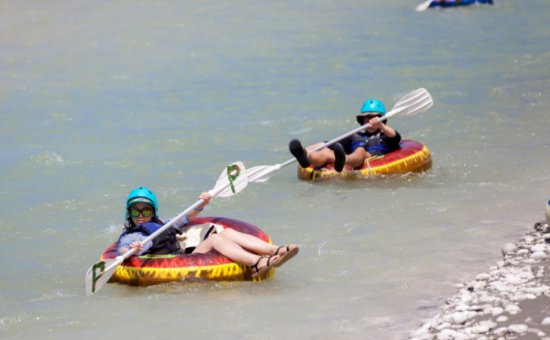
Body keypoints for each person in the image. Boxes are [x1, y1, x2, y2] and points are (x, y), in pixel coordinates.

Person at [118, 186, 299, 278]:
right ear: (130, 214)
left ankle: (274, 250)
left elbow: (184, 218)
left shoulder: (163, 222)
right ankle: (256, 263)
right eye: (135, 212)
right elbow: (123, 250)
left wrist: (202, 204)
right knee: (213, 239)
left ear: (153, 211)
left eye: (146, 211)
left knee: (225, 233)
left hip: (182, 255)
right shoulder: (134, 235)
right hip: (177, 263)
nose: (141, 216)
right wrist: (133, 249)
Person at [289, 98, 401, 172]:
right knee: (327, 152)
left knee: (361, 151)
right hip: (343, 159)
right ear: (362, 120)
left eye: (374, 117)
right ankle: (307, 157)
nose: (370, 121)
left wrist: (381, 125)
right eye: (367, 118)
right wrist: (306, 150)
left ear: (382, 119)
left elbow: (395, 136)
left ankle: (344, 160)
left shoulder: (385, 136)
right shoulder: (355, 135)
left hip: (368, 157)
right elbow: (327, 143)